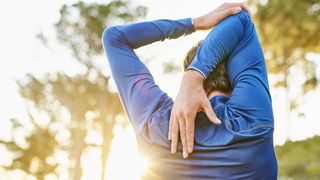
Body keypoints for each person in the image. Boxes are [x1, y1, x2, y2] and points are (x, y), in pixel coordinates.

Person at [102, 3, 277, 179]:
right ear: (235, 74)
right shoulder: (253, 121)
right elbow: (240, 19)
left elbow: (115, 38)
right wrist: (195, 75)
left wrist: (195, 23)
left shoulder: (155, 124)